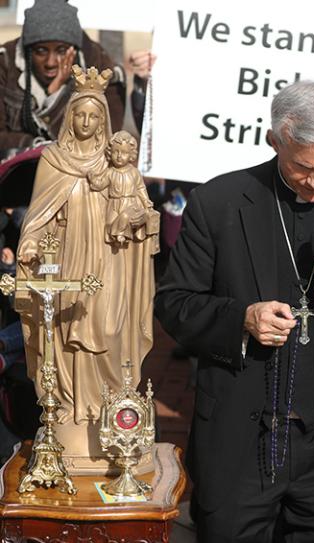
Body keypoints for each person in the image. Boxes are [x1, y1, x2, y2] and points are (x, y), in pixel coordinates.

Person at [155, 80, 314, 542]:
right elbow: (174, 304)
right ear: (275, 141)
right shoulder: (218, 203)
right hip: (240, 447)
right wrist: (241, 319)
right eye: (302, 167)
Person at [15, 65, 156, 470]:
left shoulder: (118, 164)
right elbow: (37, 216)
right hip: (64, 265)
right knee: (62, 336)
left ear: (104, 120)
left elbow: (138, 212)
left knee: (109, 332)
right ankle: (71, 413)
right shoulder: (54, 160)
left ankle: (112, 416)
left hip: (110, 266)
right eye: (80, 113)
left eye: (95, 115)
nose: (87, 122)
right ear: (69, 115)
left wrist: (135, 222)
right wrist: (28, 243)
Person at [0, 0, 126, 157]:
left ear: (73, 48)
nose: (51, 62)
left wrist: (59, 96)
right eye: (40, 51)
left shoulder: (98, 64)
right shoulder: (5, 62)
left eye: (61, 50)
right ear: (28, 50)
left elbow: (105, 139)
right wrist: (36, 146)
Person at [88, 130, 159, 245]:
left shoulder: (134, 172)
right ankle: (117, 237)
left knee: (125, 217)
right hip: (114, 204)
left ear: (131, 155)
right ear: (110, 153)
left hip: (130, 204)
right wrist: (93, 180)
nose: (119, 156)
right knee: (109, 225)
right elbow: (101, 184)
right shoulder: (110, 172)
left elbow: (141, 189)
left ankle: (123, 235)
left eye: (124, 153)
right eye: (116, 152)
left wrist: (147, 202)